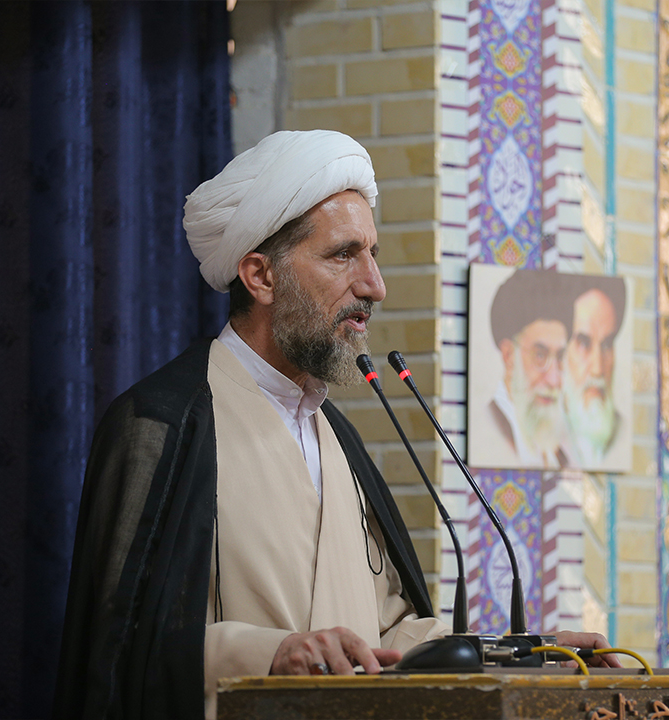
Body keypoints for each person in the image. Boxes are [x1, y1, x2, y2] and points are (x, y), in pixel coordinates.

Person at [54, 130, 616, 720]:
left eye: (373, 254)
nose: (374, 285)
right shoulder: (161, 424)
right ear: (260, 276)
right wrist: (271, 654)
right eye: (343, 254)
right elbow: (118, 648)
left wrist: (520, 655)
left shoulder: (339, 439)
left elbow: (386, 635)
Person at [471, 270, 575, 469]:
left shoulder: (556, 452)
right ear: (509, 355)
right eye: (540, 356)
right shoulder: (489, 430)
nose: (554, 379)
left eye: (560, 357)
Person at [562, 277, 625, 468]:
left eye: (606, 345)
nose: (598, 369)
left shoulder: (624, 434)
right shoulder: (538, 440)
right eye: (584, 344)